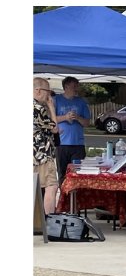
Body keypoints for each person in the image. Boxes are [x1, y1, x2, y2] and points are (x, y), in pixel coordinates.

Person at [53, 76, 91, 183]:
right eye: (74, 86)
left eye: (76, 86)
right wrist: (65, 117)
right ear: (66, 87)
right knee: (62, 173)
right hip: (61, 143)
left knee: (77, 173)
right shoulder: (56, 100)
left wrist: (78, 117)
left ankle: (76, 198)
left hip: (78, 144)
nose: (76, 89)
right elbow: (50, 119)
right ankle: (64, 198)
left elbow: (87, 123)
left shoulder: (81, 102)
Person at [33, 77, 59, 215]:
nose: (48, 95)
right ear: (37, 91)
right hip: (42, 154)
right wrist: (51, 107)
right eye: (47, 92)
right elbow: (54, 128)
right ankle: (49, 223)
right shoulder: (37, 108)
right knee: (51, 186)